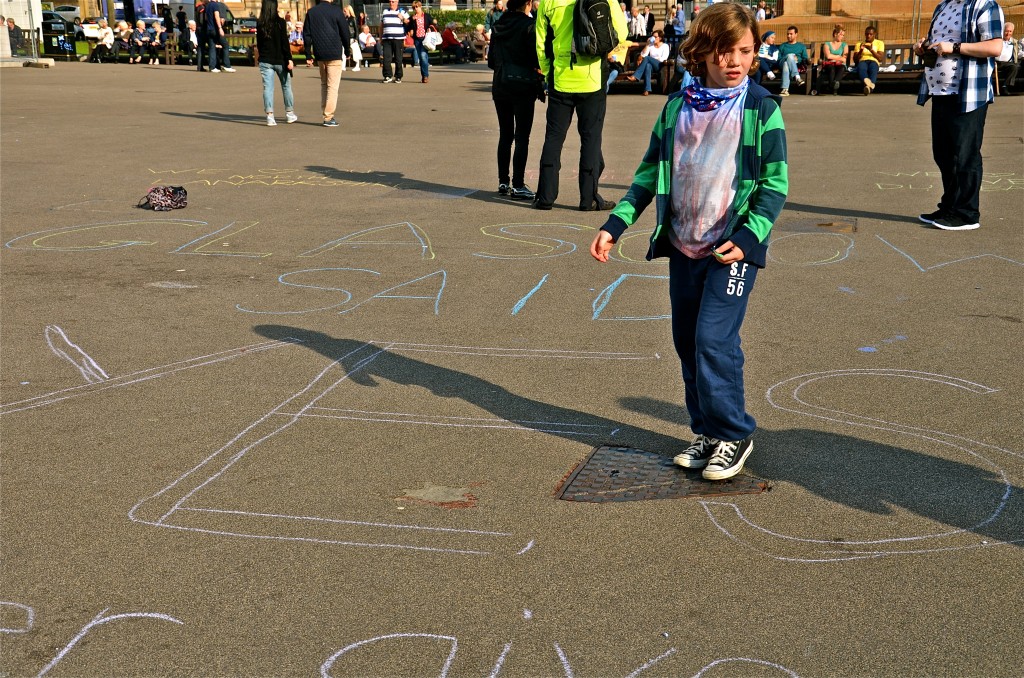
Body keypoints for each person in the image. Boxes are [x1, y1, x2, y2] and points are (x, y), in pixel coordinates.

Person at [590, 2, 787, 482]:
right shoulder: (677, 107)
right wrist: (615, 224)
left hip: (730, 249)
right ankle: (707, 432)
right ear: (700, 53)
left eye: (743, 50)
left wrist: (748, 236)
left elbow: (774, 184)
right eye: (721, 52)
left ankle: (734, 433)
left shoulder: (761, 108)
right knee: (686, 342)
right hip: (684, 243)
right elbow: (647, 174)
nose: (733, 60)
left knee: (713, 339)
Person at [915, 0, 1004, 230]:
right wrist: (924, 47)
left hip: (969, 92)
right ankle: (950, 207)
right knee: (944, 154)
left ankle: (967, 214)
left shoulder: (985, 5)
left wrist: (954, 47)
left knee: (965, 154)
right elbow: (939, 42)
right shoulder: (943, 6)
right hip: (940, 90)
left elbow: (995, 47)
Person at [534, 0, 629, 211]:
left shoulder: (548, 2)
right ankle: (588, 199)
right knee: (591, 140)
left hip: (561, 77)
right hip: (592, 78)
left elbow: (540, 42)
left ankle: (545, 196)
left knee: (554, 137)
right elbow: (622, 32)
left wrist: (548, 72)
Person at [489, 0, 540, 201]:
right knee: (522, 136)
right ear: (527, 4)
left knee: (505, 134)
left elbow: (491, 61)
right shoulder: (528, 26)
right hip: (522, 84)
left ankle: (503, 181)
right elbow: (536, 57)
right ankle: (518, 184)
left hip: (500, 84)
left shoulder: (499, 24)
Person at [303, 0, 351, 127]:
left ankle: (326, 113)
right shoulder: (336, 11)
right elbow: (345, 32)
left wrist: (308, 54)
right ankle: (328, 117)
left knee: (324, 84)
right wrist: (347, 49)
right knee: (332, 86)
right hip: (334, 51)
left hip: (319, 52)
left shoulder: (311, 12)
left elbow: (306, 35)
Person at [256, 0, 297, 127]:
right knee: (286, 86)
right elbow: (284, 42)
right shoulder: (280, 22)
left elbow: (259, 44)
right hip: (280, 59)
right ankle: (289, 113)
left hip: (265, 59)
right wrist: (289, 58)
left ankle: (269, 116)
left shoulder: (260, 23)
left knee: (268, 88)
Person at [626, 29, 669, 95]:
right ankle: (647, 89)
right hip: (651, 66)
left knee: (648, 59)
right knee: (647, 66)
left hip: (660, 65)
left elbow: (663, 58)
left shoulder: (665, 46)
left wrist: (652, 59)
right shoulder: (651, 45)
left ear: (660, 38)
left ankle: (635, 76)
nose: (653, 38)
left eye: (655, 37)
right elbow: (643, 55)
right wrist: (647, 44)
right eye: (652, 36)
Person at [408, 2, 437, 82]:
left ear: (420, 7)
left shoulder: (426, 16)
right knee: (422, 57)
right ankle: (424, 74)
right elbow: (408, 27)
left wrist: (430, 29)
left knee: (423, 55)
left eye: (416, 7)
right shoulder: (412, 18)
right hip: (417, 39)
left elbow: (433, 25)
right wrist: (411, 22)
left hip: (425, 38)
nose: (415, 9)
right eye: (414, 8)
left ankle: (425, 76)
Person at [379, 0, 408, 83]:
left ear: (397, 2)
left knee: (398, 58)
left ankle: (398, 76)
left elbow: (408, 23)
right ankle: (387, 75)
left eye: (393, 1)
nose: (391, 3)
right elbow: (381, 26)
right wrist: (381, 38)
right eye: (390, 1)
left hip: (398, 39)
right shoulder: (385, 11)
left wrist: (402, 18)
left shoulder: (402, 11)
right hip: (387, 39)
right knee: (386, 58)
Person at [777, 25, 809, 96]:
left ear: (796, 34)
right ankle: (797, 77)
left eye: (791, 34)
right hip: (781, 63)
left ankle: (785, 89)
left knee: (786, 63)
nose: (788, 36)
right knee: (789, 56)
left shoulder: (801, 46)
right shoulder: (783, 46)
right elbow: (778, 58)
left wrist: (798, 59)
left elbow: (805, 58)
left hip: (795, 64)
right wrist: (789, 57)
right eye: (787, 34)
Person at [817, 24, 848, 95]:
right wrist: (839, 57)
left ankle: (832, 85)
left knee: (842, 68)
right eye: (841, 34)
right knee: (832, 69)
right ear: (835, 34)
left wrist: (834, 57)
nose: (842, 37)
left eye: (843, 35)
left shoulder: (844, 45)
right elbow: (828, 56)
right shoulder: (827, 44)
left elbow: (844, 59)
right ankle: (834, 87)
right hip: (830, 64)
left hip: (839, 64)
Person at [206, 0, 236, 72]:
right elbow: (216, 16)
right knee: (225, 45)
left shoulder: (208, 6)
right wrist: (220, 28)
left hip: (209, 29)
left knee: (212, 47)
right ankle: (227, 65)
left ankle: (212, 67)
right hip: (215, 29)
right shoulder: (215, 5)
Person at [854, 25, 884, 95]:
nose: (868, 36)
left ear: (874, 35)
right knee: (861, 68)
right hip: (863, 60)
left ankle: (867, 87)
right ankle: (870, 87)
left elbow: (880, 58)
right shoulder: (859, 44)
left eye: (871, 34)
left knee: (873, 69)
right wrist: (861, 50)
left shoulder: (880, 43)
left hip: (874, 61)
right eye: (867, 34)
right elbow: (855, 60)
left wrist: (871, 49)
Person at [996, 22, 1019, 91]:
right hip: (995, 62)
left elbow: (1018, 52)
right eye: (1006, 31)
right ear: (1003, 31)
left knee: (1014, 66)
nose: (1008, 33)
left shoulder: (1014, 42)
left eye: (1010, 31)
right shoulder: (997, 40)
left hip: (1007, 64)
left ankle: (1005, 86)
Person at [195, 0, 209, 70]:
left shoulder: (198, 7)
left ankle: (200, 66)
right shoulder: (202, 8)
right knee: (201, 48)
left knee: (200, 48)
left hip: (198, 29)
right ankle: (201, 66)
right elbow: (201, 19)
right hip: (202, 29)